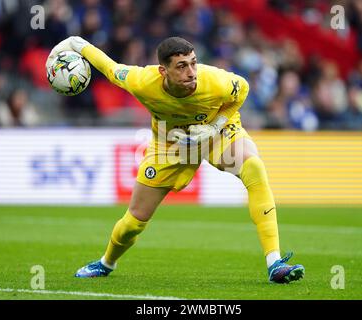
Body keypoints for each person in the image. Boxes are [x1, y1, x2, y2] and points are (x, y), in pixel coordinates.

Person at [46, 36, 305, 283]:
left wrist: (215, 126)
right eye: (181, 66)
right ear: (163, 71)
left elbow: (243, 91)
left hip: (217, 133)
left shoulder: (215, 81)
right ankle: (106, 263)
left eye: (193, 62)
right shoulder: (141, 81)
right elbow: (110, 68)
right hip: (170, 146)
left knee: (254, 168)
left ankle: (275, 263)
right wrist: (76, 44)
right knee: (134, 221)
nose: (191, 72)